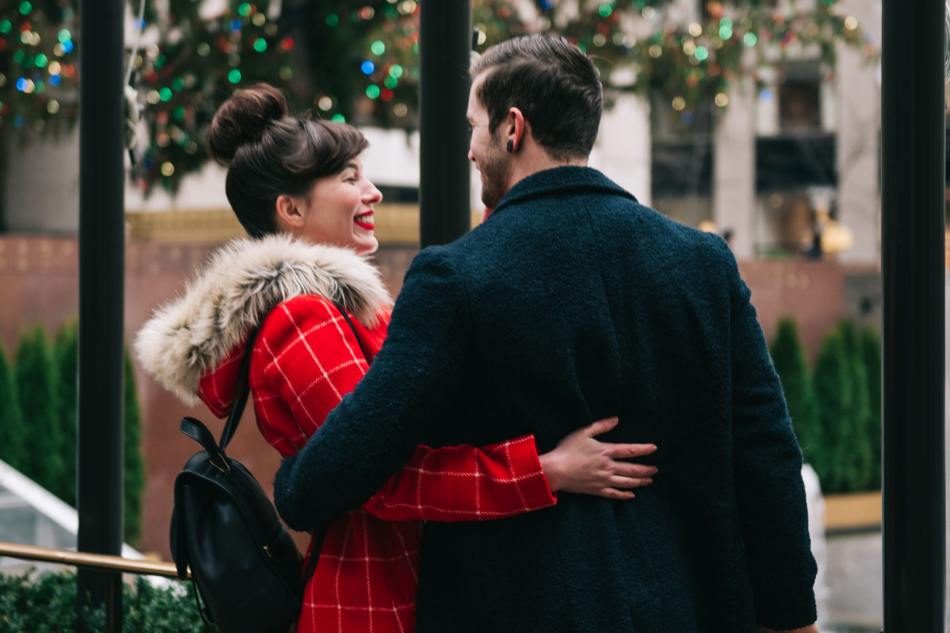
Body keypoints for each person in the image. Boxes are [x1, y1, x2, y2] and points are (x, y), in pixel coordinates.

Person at [272, 35, 820, 633]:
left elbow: (357, 452)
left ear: (514, 128)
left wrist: (294, 486)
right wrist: (792, 617)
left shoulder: (455, 277)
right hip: (693, 606)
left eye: (474, 127)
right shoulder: (703, 262)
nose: (471, 151)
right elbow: (766, 451)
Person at [134, 83, 659, 633]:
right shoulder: (303, 319)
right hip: (376, 600)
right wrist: (546, 472)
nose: (374, 193)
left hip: (399, 583)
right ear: (290, 209)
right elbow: (381, 478)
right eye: (350, 178)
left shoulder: (340, 309)